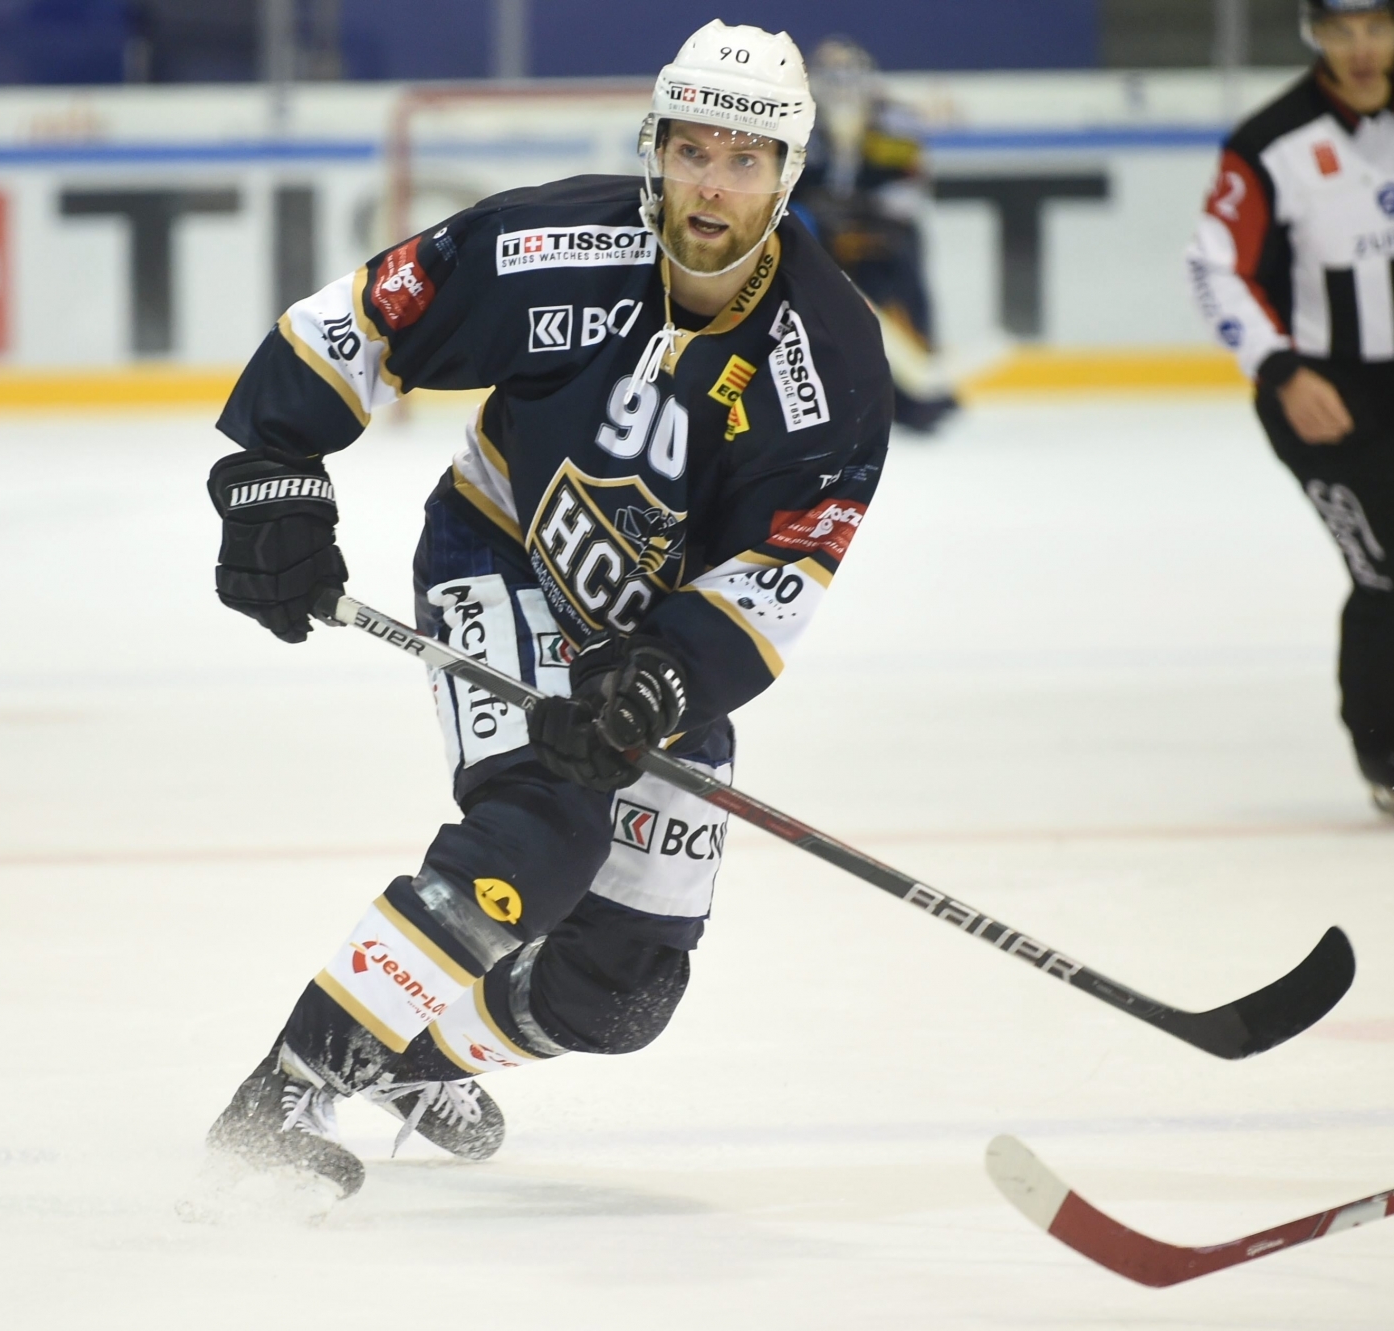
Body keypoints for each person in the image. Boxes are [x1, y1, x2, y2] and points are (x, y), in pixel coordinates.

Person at [201, 20, 892, 1198]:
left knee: (621, 988)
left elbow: (776, 578)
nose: (708, 185)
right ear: (654, 147)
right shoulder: (552, 241)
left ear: (786, 173)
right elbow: (360, 317)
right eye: (690, 150)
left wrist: (659, 680)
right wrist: (275, 469)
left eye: (741, 159)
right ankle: (275, 1102)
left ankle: (408, 1056)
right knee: (541, 825)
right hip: (499, 549)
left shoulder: (828, 362)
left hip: (653, 637)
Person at [1187, 0, 1394, 820]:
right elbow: (1215, 268)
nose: (1362, 48)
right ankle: (1392, 746)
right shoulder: (1273, 142)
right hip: (1325, 393)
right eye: (1341, 31)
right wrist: (1279, 369)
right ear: (1315, 37)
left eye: (1376, 27)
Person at [795, 36, 957, 434]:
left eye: (850, 74)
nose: (842, 85)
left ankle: (915, 391)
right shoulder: (797, 120)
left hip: (882, 236)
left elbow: (907, 188)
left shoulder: (894, 121)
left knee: (903, 283)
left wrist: (869, 227)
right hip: (820, 238)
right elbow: (787, 189)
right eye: (831, 75)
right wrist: (827, 227)